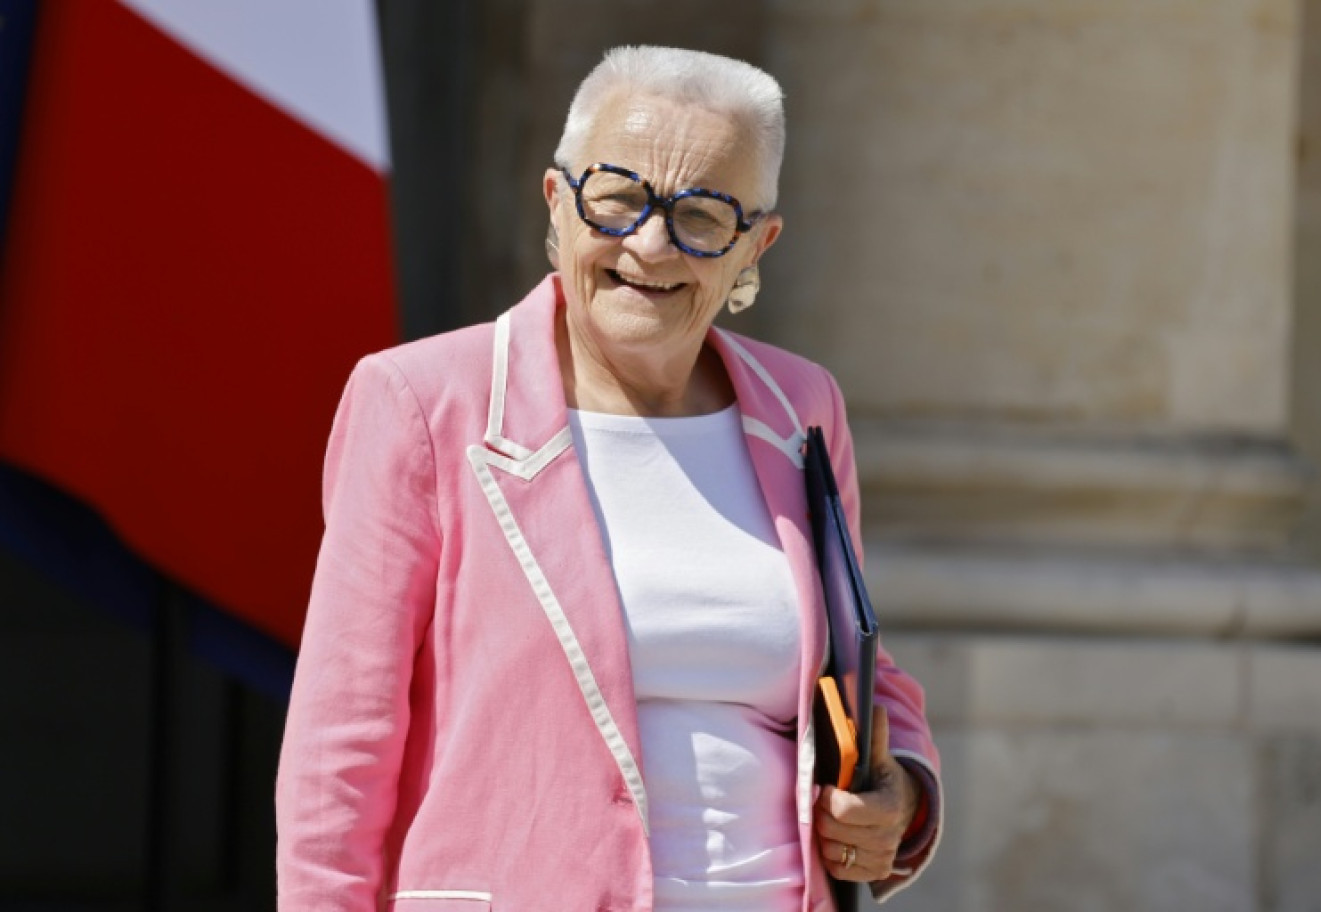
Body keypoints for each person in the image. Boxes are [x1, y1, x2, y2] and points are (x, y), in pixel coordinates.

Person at [276, 45, 941, 912]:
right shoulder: (422, 402)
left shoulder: (801, 407)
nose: (652, 244)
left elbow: (860, 666)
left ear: (757, 245)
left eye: (703, 215)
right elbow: (341, 745)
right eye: (618, 197)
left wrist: (906, 794)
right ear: (558, 204)